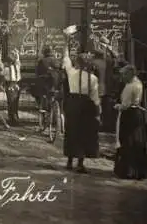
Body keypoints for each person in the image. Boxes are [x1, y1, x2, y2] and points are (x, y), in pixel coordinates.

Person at [61, 38, 101, 173]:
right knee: (83, 133)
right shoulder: (93, 78)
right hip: (86, 105)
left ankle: (69, 161)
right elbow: (95, 98)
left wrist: (66, 42)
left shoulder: (71, 73)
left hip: (73, 103)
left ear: (77, 63)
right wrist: (98, 111)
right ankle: (80, 163)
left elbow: (65, 58)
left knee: (71, 131)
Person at [113, 64, 147, 180]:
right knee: (137, 142)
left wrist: (117, 106)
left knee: (127, 141)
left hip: (129, 115)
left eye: (124, 74)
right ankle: (139, 170)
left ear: (129, 74)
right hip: (137, 114)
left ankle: (128, 170)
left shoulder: (129, 86)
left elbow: (125, 104)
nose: (122, 77)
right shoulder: (139, 83)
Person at [35, 46, 61, 110]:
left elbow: (37, 72)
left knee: (41, 94)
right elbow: (60, 69)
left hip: (43, 83)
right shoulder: (55, 60)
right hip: (54, 84)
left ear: (44, 53)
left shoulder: (41, 61)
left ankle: (41, 105)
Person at [0, 48, 21, 125]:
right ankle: (16, 118)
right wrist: (17, 54)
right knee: (15, 103)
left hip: (10, 87)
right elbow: (18, 61)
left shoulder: (6, 69)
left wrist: (1, 84)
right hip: (17, 87)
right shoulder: (17, 67)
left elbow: (2, 76)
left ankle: (12, 119)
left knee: (10, 103)